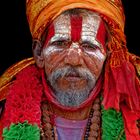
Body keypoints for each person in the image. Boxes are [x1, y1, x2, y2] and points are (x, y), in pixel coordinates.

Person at [0, 0, 140, 139]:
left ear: (108, 55)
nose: (74, 60)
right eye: (60, 44)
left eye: (89, 46)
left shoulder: (134, 112)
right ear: (38, 52)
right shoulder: (4, 110)